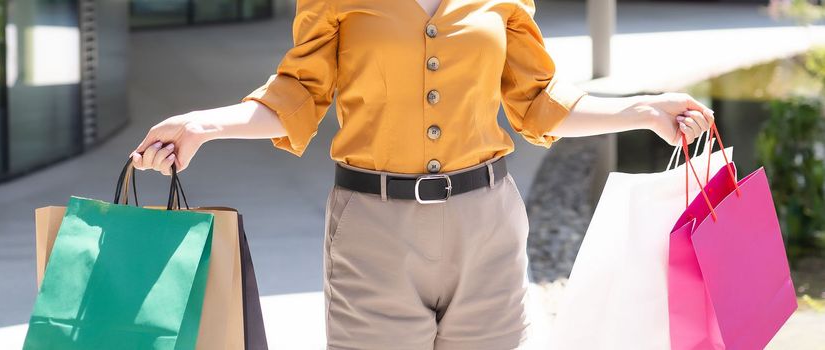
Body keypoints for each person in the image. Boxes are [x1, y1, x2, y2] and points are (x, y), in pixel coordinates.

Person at [131, 0, 714, 348]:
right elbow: (298, 94)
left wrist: (639, 110)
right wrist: (207, 124)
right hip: (374, 233)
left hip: (487, 225)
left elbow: (539, 100)